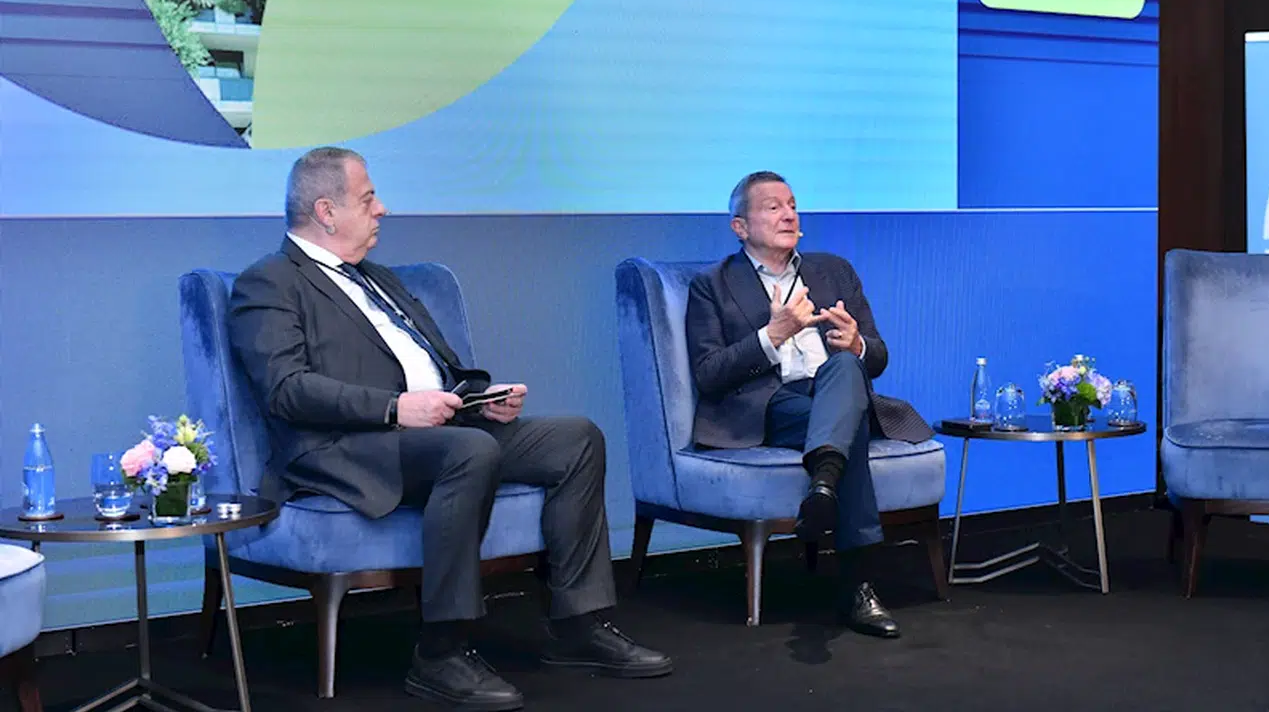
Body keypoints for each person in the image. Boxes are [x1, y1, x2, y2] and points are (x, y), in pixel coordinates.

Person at [228, 146, 671, 710]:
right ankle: (441, 651)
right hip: (345, 446)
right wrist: (395, 409)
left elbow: (438, 366)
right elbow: (285, 389)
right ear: (326, 211)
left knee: (575, 439)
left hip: (437, 430)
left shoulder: (379, 279)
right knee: (468, 452)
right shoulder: (268, 283)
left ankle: (577, 627)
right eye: (368, 198)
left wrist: (479, 399)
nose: (382, 209)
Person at [684, 170, 934, 639]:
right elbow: (709, 374)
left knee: (845, 370)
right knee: (847, 423)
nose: (789, 215)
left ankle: (824, 483)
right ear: (740, 227)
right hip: (772, 405)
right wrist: (772, 336)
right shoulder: (712, 284)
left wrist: (857, 344)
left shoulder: (833, 271)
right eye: (773, 207)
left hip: (835, 393)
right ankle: (858, 586)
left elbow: (878, 357)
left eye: (793, 205)